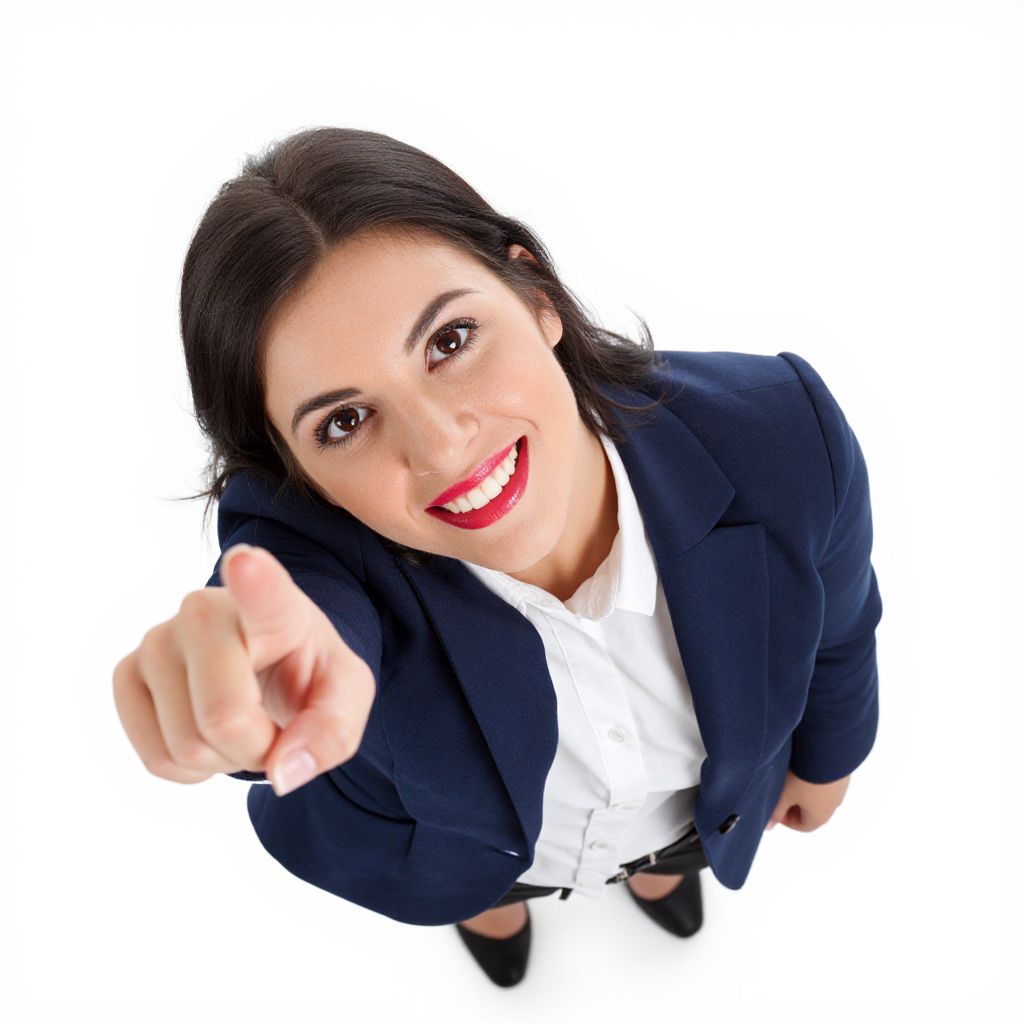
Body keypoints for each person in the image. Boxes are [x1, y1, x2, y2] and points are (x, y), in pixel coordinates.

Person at [112, 127, 883, 989]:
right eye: (342, 421)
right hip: (463, 848)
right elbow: (286, 616)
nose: (440, 449)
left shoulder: (778, 429)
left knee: (678, 849)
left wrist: (831, 753)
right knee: (477, 875)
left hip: (693, 812)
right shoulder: (311, 544)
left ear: (535, 294)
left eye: (449, 341)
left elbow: (842, 617)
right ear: (299, 475)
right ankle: (490, 899)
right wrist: (256, 683)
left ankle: (658, 868)